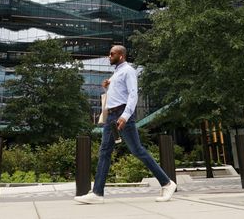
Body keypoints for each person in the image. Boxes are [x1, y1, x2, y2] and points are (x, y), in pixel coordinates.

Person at [74, 44, 177, 204]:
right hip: (111, 117)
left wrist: (126, 116)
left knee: (137, 150)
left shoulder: (128, 71)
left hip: (122, 115)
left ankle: (167, 183)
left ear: (121, 56)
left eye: (112, 54)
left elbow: (133, 94)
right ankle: (97, 193)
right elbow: (117, 94)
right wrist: (107, 87)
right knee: (104, 152)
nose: (109, 56)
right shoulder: (116, 73)